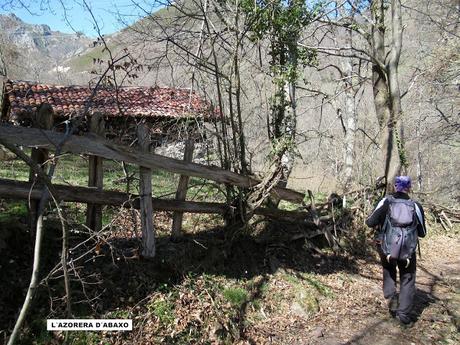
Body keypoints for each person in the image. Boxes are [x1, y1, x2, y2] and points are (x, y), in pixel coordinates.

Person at [366, 176, 427, 326]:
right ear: (409, 188)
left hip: (386, 247)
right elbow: (422, 233)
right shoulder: (415, 205)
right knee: (407, 278)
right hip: (408, 250)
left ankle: (391, 297)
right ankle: (404, 315)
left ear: (395, 187)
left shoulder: (386, 201)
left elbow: (370, 222)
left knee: (388, 269)